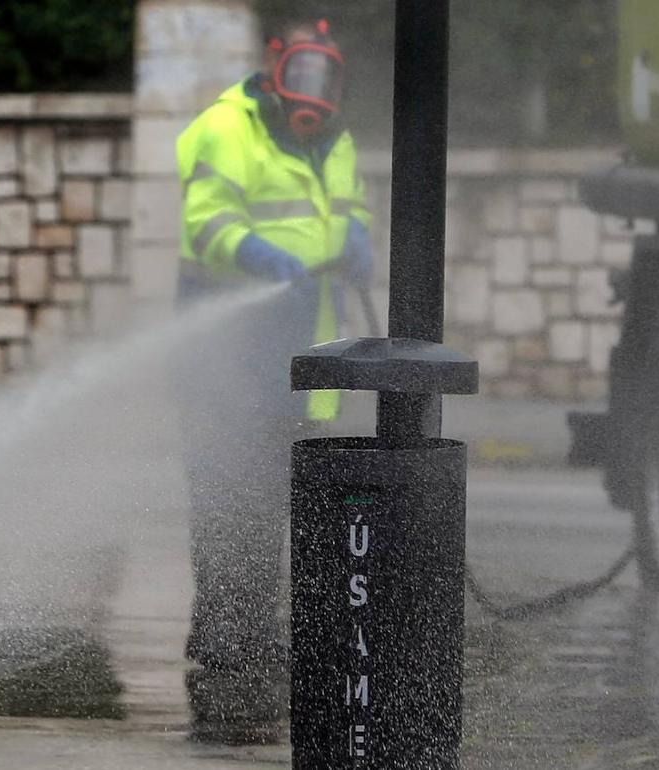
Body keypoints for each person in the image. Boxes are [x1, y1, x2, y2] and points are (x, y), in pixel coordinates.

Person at [172, 18, 373, 744]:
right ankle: (229, 646)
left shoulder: (335, 142)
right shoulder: (228, 130)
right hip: (228, 368)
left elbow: (347, 212)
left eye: (326, 77)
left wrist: (358, 242)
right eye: (302, 73)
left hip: (297, 368)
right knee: (232, 508)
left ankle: (253, 639)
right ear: (274, 67)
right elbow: (205, 225)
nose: (312, 93)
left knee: (280, 512)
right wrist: (254, 253)